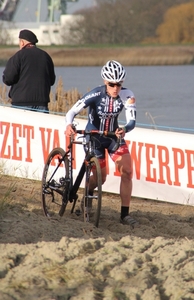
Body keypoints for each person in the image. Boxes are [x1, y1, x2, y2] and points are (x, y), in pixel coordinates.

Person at [65, 60, 139, 228]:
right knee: (100, 177)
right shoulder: (95, 94)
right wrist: (69, 125)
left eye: (119, 84)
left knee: (127, 171)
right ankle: (88, 195)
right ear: (105, 82)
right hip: (94, 138)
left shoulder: (128, 95)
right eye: (112, 84)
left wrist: (124, 129)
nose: (115, 88)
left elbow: (132, 122)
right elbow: (71, 112)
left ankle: (125, 215)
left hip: (113, 137)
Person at [2, 29, 56, 113]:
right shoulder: (46, 57)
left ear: (22, 42)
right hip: (42, 104)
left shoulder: (19, 56)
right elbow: (52, 81)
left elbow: (8, 79)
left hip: (21, 104)